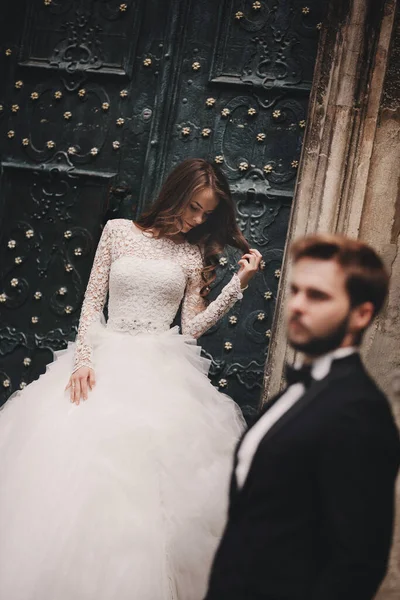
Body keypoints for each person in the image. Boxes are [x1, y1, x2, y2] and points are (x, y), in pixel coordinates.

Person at [0, 158, 262, 600]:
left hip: (159, 371)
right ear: (176, 194)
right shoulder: (118, 231)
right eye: (193, 207)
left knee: (147, 489)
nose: (197, 219)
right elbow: (90, 303)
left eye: (206, 214)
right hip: (101, 359)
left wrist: (237, 285)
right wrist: (83, 359)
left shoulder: (192, 253)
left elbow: (191, 327)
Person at [205, 234, 400, 600]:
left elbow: (356, 564)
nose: (297, 305)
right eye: (296, 291)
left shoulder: (358, 413)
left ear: (361, 314)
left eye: (318, 296)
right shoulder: (299, 393)